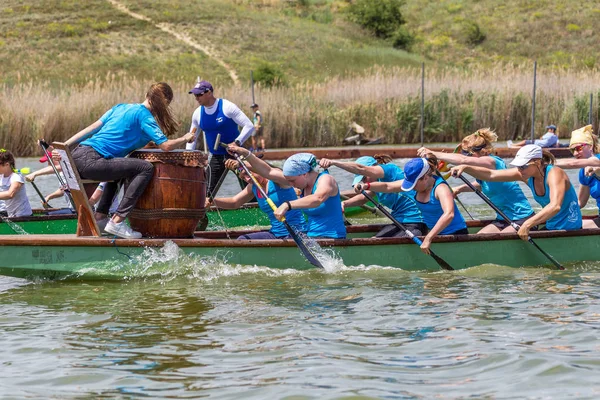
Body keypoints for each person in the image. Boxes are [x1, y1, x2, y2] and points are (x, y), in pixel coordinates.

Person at [55, 82, 195, 239]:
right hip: (92, 161)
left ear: (146, 96)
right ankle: (117, 221)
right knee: (145, 168)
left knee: (120, 167)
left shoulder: (120, 107)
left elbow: (92, 128)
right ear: (166, 103)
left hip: (77, 155)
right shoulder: (144, 116)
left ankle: (101, 218)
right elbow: (166, 146)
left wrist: (65, 146)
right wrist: (185, 137)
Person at [451, 144, 581, 241]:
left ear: (537, 162)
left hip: (570, 229)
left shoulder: (555, 173)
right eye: (518, 166)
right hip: (551, 226)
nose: (519, 169)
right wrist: (466, 168)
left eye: (523, 166)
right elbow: (491, 175)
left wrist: (527, 224)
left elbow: (555, 206)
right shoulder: (524, 174)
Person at [418, 128, 535, 234]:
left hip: (522, 217)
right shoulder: (483, 171)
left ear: (479, 152)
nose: (465, 158)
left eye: (467, 155)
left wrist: (433, 153)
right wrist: (459, 189)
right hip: (503, 218)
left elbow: (463, 160)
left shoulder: (492, 162)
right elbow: (481, 185)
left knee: (498, 240)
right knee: (480, 237)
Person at [226, 145, 346, 239]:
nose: (291, 185)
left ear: (304, 174)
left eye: (292, 181)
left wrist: (287, 205)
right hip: (311, 238)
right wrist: (245, 153)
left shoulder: (326, 179)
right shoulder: (303, 184)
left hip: (332, 238)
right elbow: (267, 171)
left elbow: (317, 199)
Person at [355, 156, 467, 254]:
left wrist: (428, 238)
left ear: (425, 178)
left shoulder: (441, 188)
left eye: (413, 184)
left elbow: (449, 214)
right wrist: (367, 186)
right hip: (437, 235)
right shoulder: (419, 184)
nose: (411, 188)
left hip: (455, 235)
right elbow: (387, 186)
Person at [319, 155, 425, 238]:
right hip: (399, 222)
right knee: (374, 239)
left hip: (416, 222)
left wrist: (334, 162)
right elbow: (364, 198)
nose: (364, 180)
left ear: (373, 169)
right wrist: (344, 203)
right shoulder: (375, 184)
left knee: (378, 242)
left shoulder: (389, 170)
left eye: (364, 177)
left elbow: (360, 169)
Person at [185, 79, 255, 198]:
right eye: (195, 95)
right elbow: (192, 139)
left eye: (199, 94)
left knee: (251, 188)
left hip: (236, 155)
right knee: (204, 193)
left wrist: (237, 143)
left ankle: (255, 208)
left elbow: (249, 126)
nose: (196, 98)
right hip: (216, 156)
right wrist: (188, 157)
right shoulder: (197, 114)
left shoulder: (227, 107)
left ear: (209, 93)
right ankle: (203, 213)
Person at [209, 159, 306, 239]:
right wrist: (212, 201)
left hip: (297, 233)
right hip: (276, 234)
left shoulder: (276, 180)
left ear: (256, 169)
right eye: (243, 177)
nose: (247, 179)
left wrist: (243, 162)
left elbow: (274, 172)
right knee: (242, 240)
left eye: (247, 174)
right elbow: (234, 202)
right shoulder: (253, 187)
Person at [555, 125, 600, 228]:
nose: (575, 153)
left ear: (590, 146)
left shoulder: (597, 160)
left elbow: (572, 164)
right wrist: (558, 211)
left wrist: (545, 162)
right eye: (572, 150)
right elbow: (580, 202)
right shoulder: (583, 172)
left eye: (578, 148)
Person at [0, 149, 33, 218]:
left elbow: (10, 194)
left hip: (24, 216)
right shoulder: (2, 177)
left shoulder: (16, 177)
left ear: (7, 165)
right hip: (12, 216)